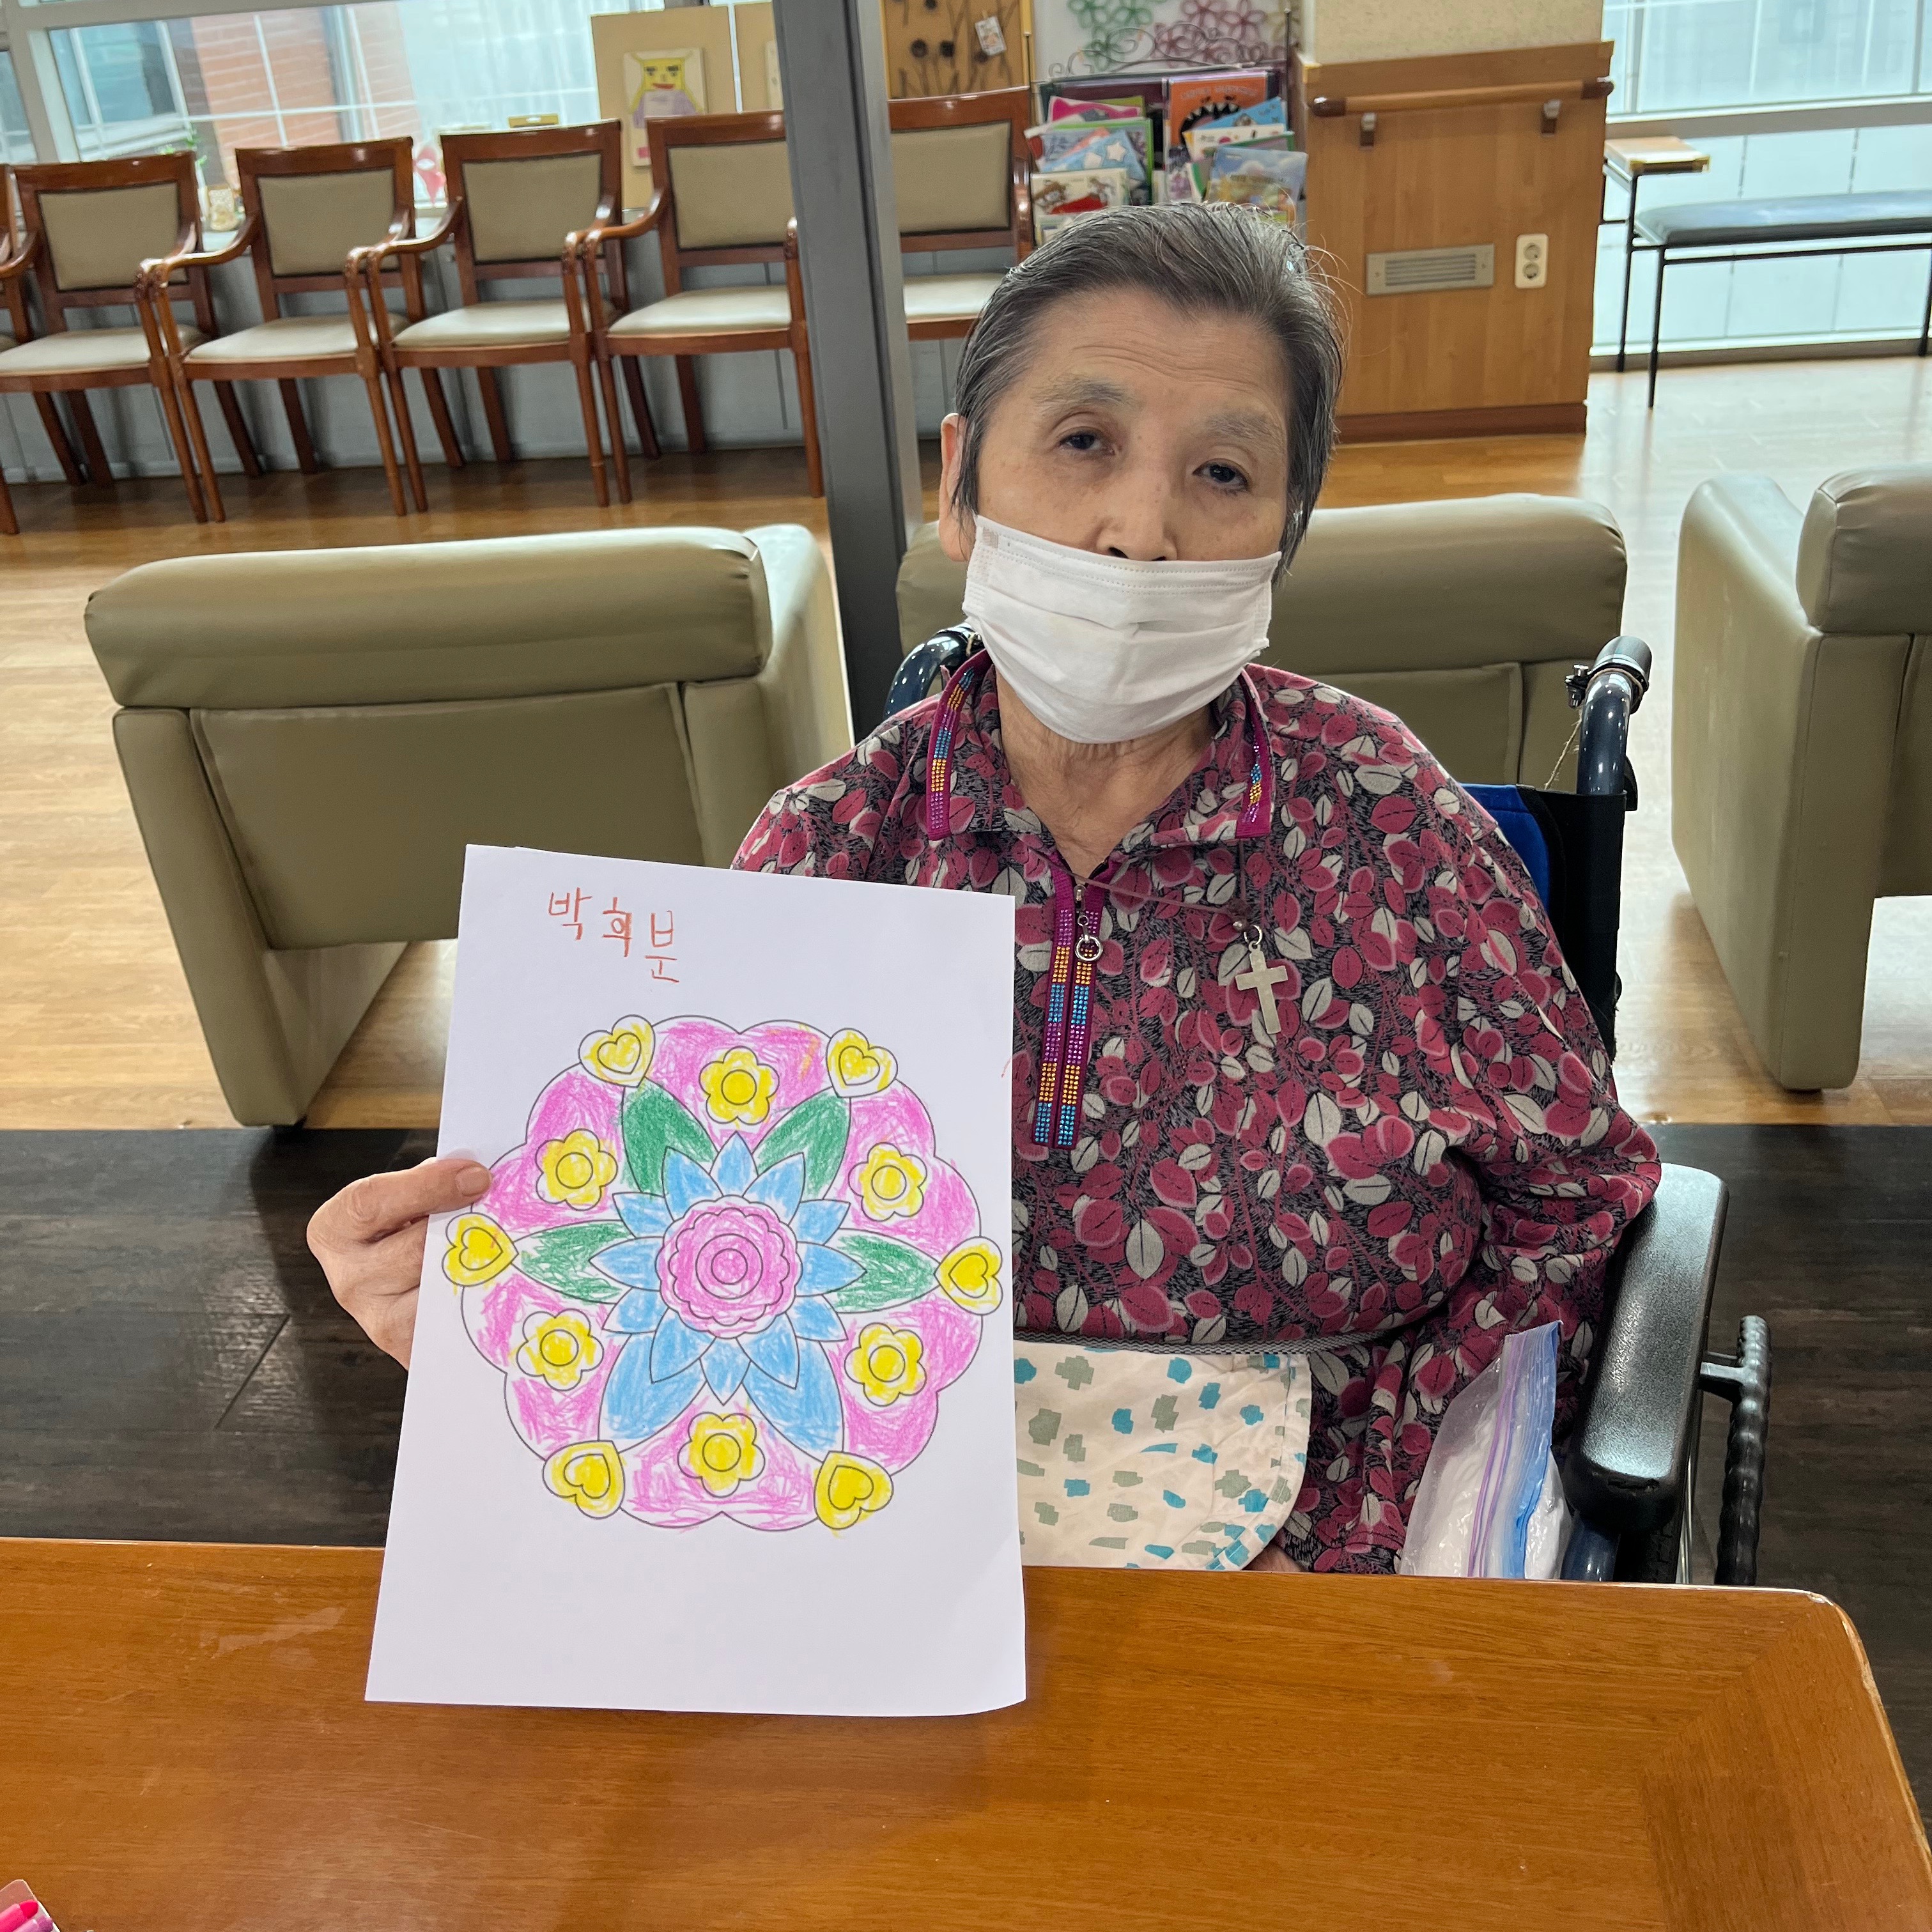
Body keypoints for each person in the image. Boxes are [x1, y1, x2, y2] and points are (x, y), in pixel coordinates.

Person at [309, 205, 1659, 1573]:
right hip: (883, 1537)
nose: (1140, 532)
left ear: (1281, 542)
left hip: (1329, 1547)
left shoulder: (1389, 823)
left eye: (1224, 473)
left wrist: (1408, 1495)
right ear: (960, 486)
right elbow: (695, 1247)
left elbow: (1579, 1195)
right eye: (1084, 442)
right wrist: (483, 1306)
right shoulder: (831, 856)